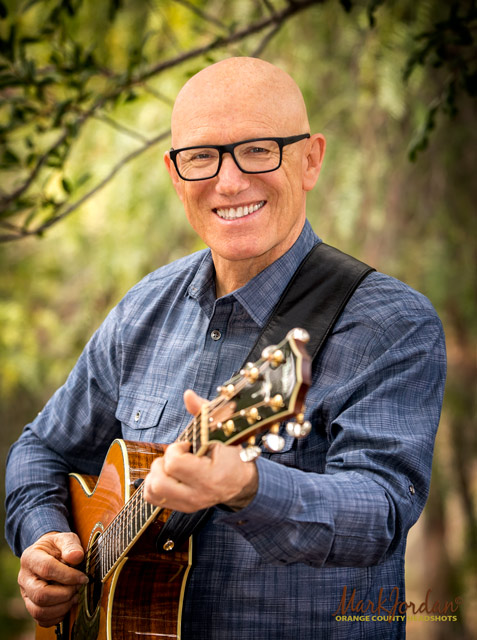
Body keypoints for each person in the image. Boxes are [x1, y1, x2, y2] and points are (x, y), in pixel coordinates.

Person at [5, 57, 446, 639]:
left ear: (310, 160)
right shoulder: (144, 308)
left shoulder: (390, 323)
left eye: (259, 150)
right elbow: (40, 449)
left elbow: (382, 512)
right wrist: (46, 538)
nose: (230, 181)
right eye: (201, 156)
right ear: (175, 173)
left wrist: (247, 487)